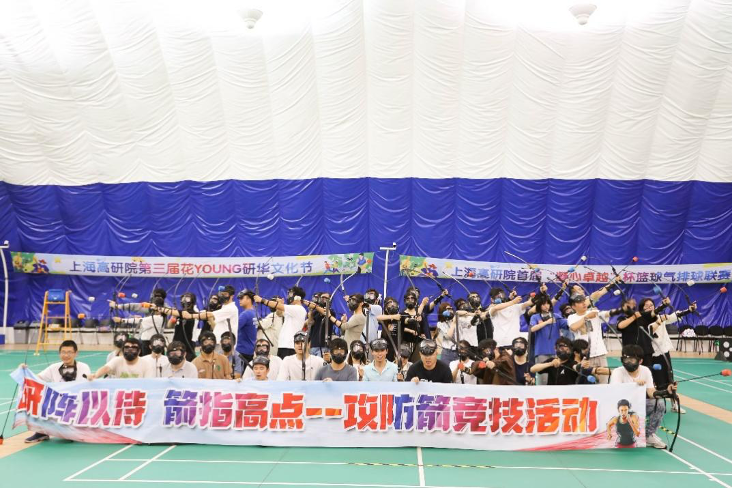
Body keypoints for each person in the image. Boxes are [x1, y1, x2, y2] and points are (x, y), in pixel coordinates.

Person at [22, 340, 91, 444]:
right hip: (58, 404)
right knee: (39, 397)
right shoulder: (53, 368)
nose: (66, 355)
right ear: (59, 353)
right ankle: (41, 432)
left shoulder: (84, 367)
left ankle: (73, 429)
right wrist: (26, 372)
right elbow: (36, 379)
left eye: (69, 352)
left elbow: (87, 388)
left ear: (76, 353)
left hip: (76, 404)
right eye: (63, 352)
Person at [610, 344, 677, 449]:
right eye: (626, 359)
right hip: (620, 409)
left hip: (638, 406)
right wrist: (634, 385)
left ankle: (648, 435)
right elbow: (616, 393)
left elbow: (651, 392)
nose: (628, 362)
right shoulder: (617, 372)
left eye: (632, 360)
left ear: (640, 361)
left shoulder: (645, 370)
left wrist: (665, 392)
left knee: (659, 404)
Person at [567, 294, 611, 383]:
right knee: (587, 382)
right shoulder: (572, 317)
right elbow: (573, 327)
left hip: (600, 353)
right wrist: (587, 317)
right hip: (585, 356)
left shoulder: (594, 313)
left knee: (604, 382)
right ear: (573, 307)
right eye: (580, 302)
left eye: (584, 301)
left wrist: (620, 310)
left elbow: (608, 313)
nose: (584, 304)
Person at [256, 286, 307, 359]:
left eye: (291, 294)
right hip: (283, 345)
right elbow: (279, 313)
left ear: (297, 297)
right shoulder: (292, 310)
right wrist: (280, 304)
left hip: (289, 347)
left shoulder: (298, 309)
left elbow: (277, 306)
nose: (289, 296)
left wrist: (262, 300)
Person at [530, 295, 565, 385]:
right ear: (539, 306)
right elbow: (532, 329)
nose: (546, 306)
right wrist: (547, 322)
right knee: (543, 379)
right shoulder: (535, 317)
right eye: (543, 304)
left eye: (548, 304)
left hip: (556, 352)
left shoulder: (556, 316)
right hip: (541, 352)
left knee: (557, 377)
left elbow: (568, 324)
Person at [88, 337, 154, 380]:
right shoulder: (117, 360)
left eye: (133, 349)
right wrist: (95, 375)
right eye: (127, 348)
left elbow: (148, 383)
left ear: (139, 351)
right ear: (123, 350)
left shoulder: (146, 364)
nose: (130, 351)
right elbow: (106, 368)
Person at [235, 289, 258, 372]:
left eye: (242, 298)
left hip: (241, 351)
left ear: (249, 299)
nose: (239, 300)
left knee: (238, 376)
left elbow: (233, 329)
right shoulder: (255, 313)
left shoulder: (245, 314)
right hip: (250, 351)